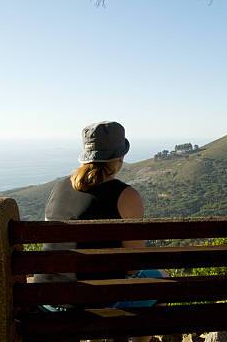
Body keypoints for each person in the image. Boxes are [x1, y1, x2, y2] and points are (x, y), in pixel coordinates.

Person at [34, 121, 165, 312]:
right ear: (120, 157)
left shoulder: (59, 187)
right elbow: (133, 265)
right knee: (160, 278)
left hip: (46, 299)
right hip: (96, 302)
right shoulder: (126, 196)